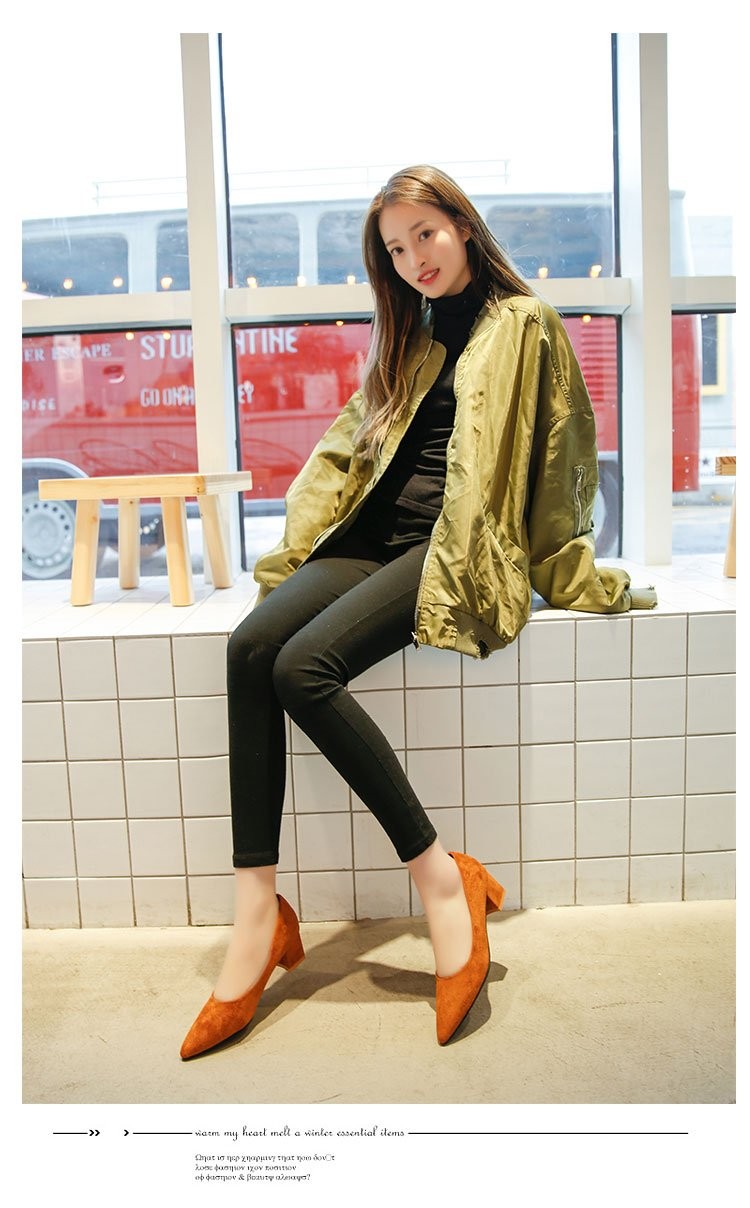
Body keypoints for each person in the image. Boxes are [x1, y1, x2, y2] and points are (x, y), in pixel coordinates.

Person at [180, 165, 656, 1060]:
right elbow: (351, 450)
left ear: (463, 226)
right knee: (250, 648)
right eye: (395, 250)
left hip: (448, 547)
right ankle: (259, 911)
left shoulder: (526, 323)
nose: (413, 261)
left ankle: (442, 882)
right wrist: (295, 550)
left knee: (302, 669)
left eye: (424, 236)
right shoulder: (408, 332)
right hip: (371, 537)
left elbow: (561, 453)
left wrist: (567, 568)